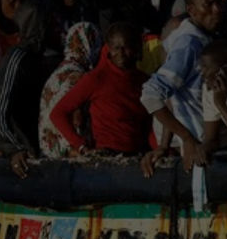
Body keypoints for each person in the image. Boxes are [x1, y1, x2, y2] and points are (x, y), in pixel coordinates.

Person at [140, 0, 222, 175]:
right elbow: (151, 94)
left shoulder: (202, 36)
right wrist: (186, 138)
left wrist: (164, 145)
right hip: (198, 143)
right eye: (208, 5)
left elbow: (172, 94)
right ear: (191, 10)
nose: (217, 10)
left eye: (218, 3)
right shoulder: (189, 45)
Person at [0, 0, 50, 177]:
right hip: (15, 147)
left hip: (29, 147)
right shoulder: (18, 57)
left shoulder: (38, 59)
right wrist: (14, 149)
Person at [50, 21, 155, 156]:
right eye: (116, 48)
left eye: (126, 47)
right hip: (107, 156)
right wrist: (81, 146)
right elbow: (58, 113)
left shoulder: (144, 81)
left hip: (138, 155)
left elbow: (152, 122)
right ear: (109, 49)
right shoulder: (97, 78)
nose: (121, 53)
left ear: (136, 49)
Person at [38, 22, 103, 158]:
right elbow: (68, 117)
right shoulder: (78, 77)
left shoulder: (59, 72)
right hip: (68, 153)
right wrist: (80, 147)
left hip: (49, 151)